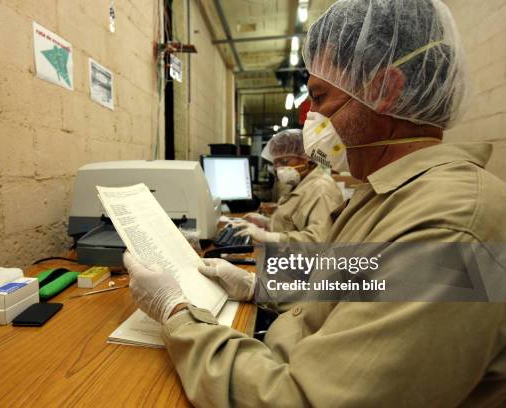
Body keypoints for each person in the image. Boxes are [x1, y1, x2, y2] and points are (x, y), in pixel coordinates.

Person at [124, 0, 506, 406]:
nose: (312, 118)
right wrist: (258, 286)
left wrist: (177, 313)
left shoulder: (452, 231)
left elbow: (298, 400)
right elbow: (346, 287)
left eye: (321, 97)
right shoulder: (389, 195)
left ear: (384, 89)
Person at [233, 129, 343, 243]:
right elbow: (292, 224)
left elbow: (318, 241)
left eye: (284, 161)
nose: (279, 169)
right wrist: (266, 222)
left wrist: (267, 236)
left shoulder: (321, 189)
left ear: (307, 159)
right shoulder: (300, 183)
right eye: (275, 163)